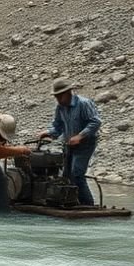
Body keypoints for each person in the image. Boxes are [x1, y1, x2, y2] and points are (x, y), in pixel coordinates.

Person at [37, 77, 102, 205]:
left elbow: (95, 122)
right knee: (66, 176)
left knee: (77, 173)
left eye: (60, 96)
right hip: (68, 145)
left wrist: (80, 136)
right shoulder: (60, 107)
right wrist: (48, 132)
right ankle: (71, 201)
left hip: (85, 144)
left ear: (68, 93)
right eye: (56, 97)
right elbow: (58, 126)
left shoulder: (83, 103)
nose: (58, 100)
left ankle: (88, 205)